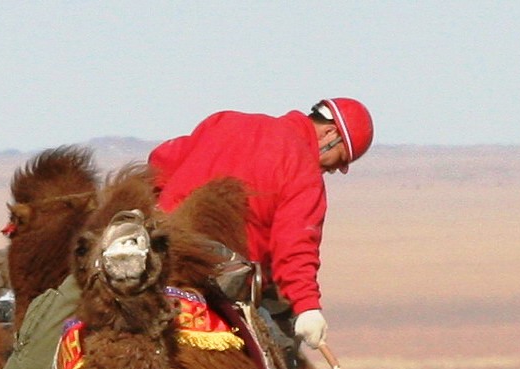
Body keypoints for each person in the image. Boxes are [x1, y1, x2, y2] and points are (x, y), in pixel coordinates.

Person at [148, 97, 374, 356]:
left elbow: (161, 162)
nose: (333, 170)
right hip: (219, 274)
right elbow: (296, 247)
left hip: (161, 255)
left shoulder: (225, 121)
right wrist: (307, 307)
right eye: (339, 159)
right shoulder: (303, 170)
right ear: (329, 133)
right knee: (280, 344)